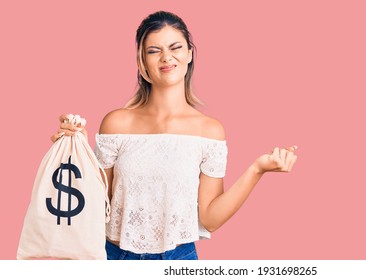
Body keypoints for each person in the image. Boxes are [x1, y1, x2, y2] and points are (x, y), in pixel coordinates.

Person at [50, 11, 298, 260]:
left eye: (175, 47)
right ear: (142, 62)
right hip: (113, 256)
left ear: (189, 53)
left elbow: (210, 220)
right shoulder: (116, 123)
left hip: (178, 259)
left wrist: (257, 169)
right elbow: (95, 203)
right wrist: (76, 147)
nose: (166, 57)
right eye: (153, 50)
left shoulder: (209, 131)